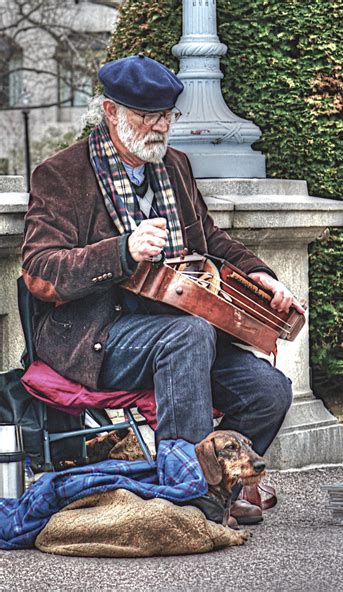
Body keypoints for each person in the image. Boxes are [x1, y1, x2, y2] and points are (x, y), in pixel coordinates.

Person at [22, 55, 304, 524]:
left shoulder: (175, 165)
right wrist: (122, 251)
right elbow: (39, 271)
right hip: (100, 337)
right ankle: (188, 498)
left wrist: (259, 273)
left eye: (166, 115)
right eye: (145, 115)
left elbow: (210, 240)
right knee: (188, 335)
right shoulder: (61, 175)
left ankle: (219, 488)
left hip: (181, 329)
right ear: (110, 111)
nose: (158, 127)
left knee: (268, 391)